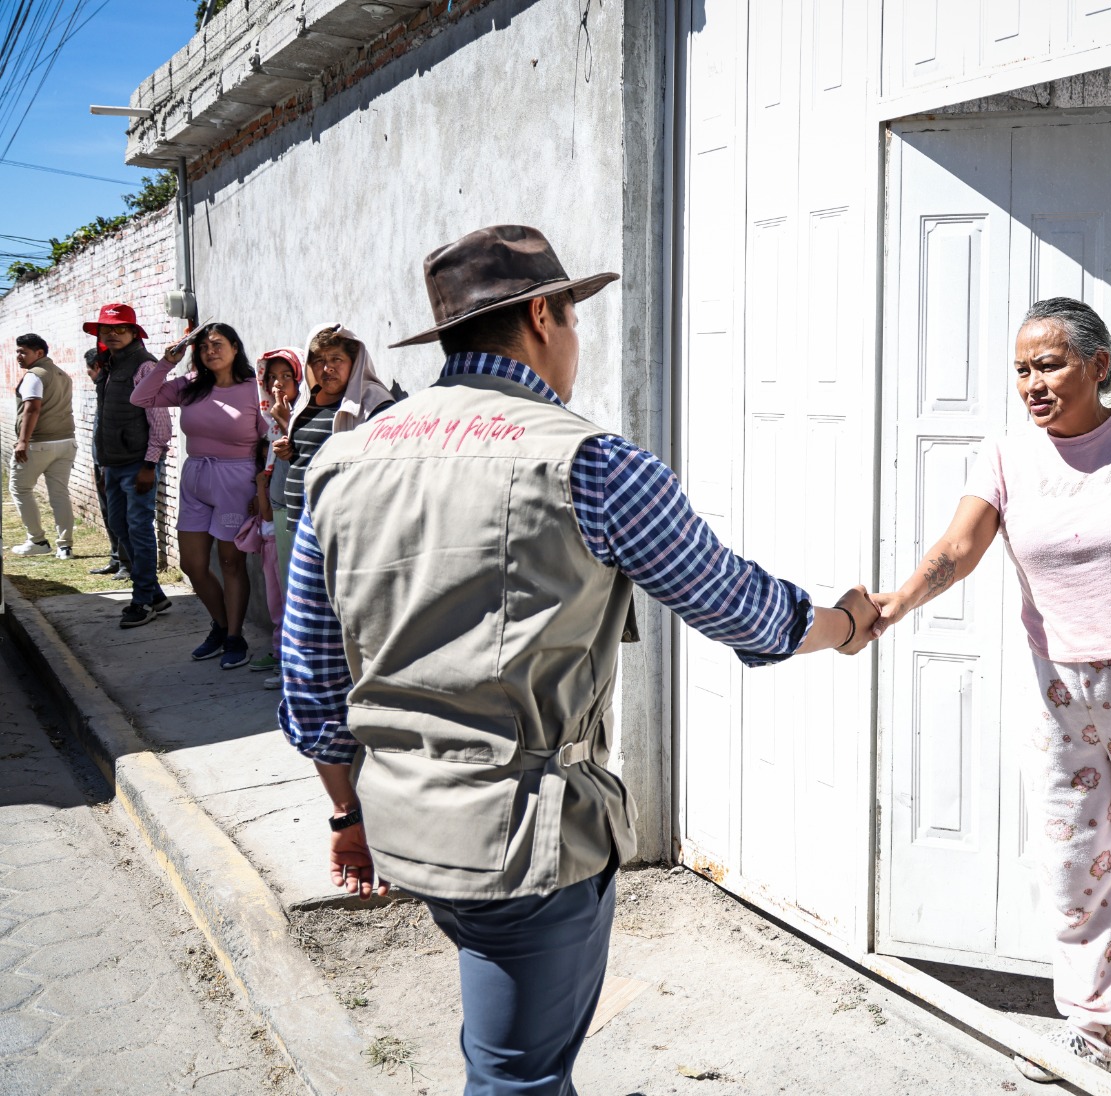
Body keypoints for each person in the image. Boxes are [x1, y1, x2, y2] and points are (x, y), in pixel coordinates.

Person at [279, 224, 877, 1095]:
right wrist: (845, 625)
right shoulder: (587, 461)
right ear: (542, 317)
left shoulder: (342, 459)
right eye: (574, 318)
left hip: (406, 823)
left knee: (510, 1052)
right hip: (525, 841)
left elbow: (311, 679)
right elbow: (738, 608)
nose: (576, 342)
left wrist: (346, 814)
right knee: (516, 1078)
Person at [869, 297, 1111, 1078]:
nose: (1032, 383)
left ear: (1097, 366)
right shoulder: (1006, 456)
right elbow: (961, 544)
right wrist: (898, 602)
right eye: (1022, 369)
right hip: (1057, 690)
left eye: (1049, 365)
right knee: (1074, 862)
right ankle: (1100, 1031)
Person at [134, 322, 266, 667]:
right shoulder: (189, 385)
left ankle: (235, 638)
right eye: (204, 347)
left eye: (218, 344)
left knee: (231, 563)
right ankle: (220, 627)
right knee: (192, 564)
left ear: (235, 347)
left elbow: (268, 441)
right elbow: (141, 397)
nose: (210, 351)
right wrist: (167, 362)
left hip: (236, 482)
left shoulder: (254, 389)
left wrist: (262, 487)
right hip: (195, 478)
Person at [84, 303, 173, 627]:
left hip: (138, 464)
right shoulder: (109, 365)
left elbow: (160, 422)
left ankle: (143, 600)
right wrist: (104, 464)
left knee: (138, 528)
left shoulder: (144, 366)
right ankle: (155, 594)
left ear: (134, 333)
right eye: (107, 329)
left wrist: (150, 464)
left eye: (120, 328)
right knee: (120, 527)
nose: (113, 334)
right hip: (114, 464)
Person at [275, 323, 394, 539]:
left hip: (340, 526)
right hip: (301, 523)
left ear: (354, 362)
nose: (327, 368)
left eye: (336, 359)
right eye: (319, 361)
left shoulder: (372, 403)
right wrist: (288, 450)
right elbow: (308, 454)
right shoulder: (307, 401)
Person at [250, 348, 303, 685]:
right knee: (280, 589)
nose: (278, 384)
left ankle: (294, 668)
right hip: (278, 509)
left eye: (286, 376)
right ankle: (284, 656)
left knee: (296, 591)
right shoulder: (271, 419)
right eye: (272, 378)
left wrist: (286, 421)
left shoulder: (304, 414)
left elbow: (303, 455)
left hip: (296, 512)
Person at [9, 333, 77, 560]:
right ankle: (65, 546)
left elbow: (32, 409)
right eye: (17, 351)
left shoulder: (34, 375)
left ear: (39, 353)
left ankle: (37, 540)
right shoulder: (62, 374)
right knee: (59, 493)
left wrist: (22, 441)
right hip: (66, 442)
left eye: (23, 352)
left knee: (20, 489)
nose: (18, 356)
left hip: (38, 443)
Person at [84, 346, 129, 579]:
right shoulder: (103, 388)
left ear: (97, 366)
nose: (89, 376)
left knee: (120, 513)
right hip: (101, 460)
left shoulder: (116, 388)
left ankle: (127, 564)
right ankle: (116, 557)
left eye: (89, 370)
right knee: (108, 512)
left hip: (114, 462)